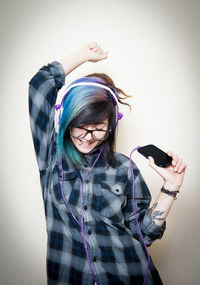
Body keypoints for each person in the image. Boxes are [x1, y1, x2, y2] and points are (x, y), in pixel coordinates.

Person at [28, 42, 186, 285]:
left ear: (111, 126)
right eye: (80, 126)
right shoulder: (51, 157)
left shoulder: (124, 168)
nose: (87, 138)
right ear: (66, 118)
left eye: (99, 129)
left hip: (130, 275)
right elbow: (40, 86)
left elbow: (142, 234)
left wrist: (170, 188)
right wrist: (82, 56)